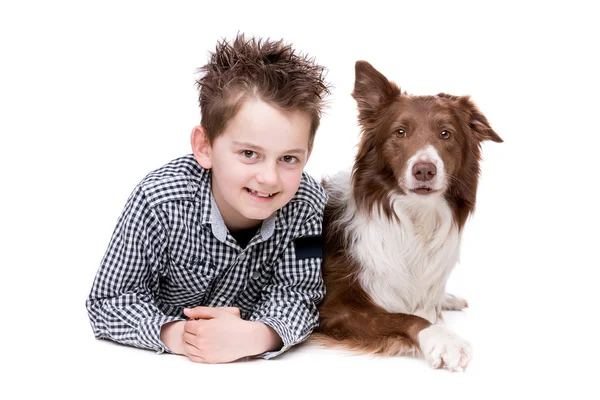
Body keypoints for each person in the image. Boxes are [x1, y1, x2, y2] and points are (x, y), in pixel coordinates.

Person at [86, 33, 331, 363]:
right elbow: (110, 299)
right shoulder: (159, 201)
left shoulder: (307, 205)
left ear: (308, 154)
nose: (269, 178)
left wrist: (260, 335)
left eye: (289, 158)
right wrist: (181, 336)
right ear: (205, 147)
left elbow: (300, 292)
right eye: (249, 153)